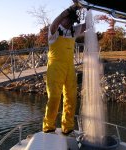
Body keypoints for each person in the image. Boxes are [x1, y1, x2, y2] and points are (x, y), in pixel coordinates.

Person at [43, 4, 85, 135]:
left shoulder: (74, 31)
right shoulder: (54, 31)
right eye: (67, 19)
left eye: (71, 20)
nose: (69, 22)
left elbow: (87, 25)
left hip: (69, 67)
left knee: (71, 97)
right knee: (54, 97)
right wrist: (71, 8)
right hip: (55, 66)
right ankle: (48, 126)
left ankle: (68, 126)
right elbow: (54, 23)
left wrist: (86, 7)